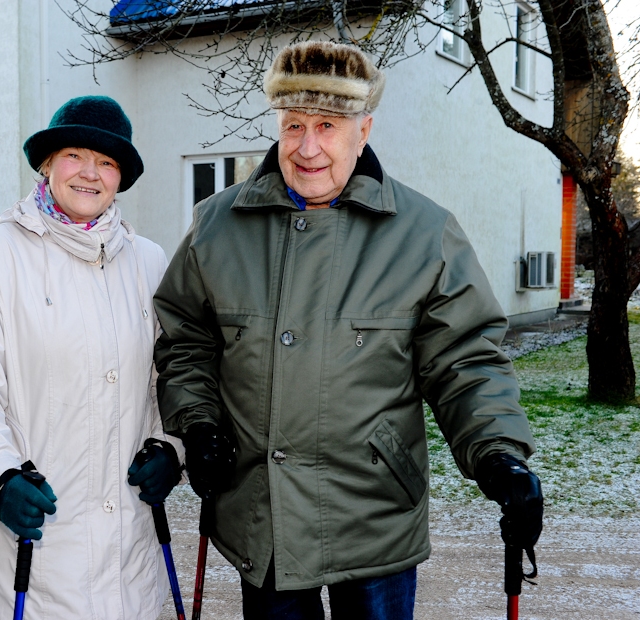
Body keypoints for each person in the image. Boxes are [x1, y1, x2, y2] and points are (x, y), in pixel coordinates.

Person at [153, 41, 544, 619]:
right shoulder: (217, 225)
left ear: (364, 131)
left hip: (373, 516)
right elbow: (186, 339)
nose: (307, 148)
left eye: (328, 126)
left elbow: (466, 363)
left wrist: (499, 456)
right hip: (264, 518)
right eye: (293, 126)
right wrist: (199, 422)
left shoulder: (424, 234)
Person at [0, 95, 183, 620]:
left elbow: (171, 374)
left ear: (121, 178)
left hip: (128, 554)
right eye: (74, 155)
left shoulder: (149, 261)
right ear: (47, 164)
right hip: (37, 550)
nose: (90, 173)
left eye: (107, 162)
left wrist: (170, 446)